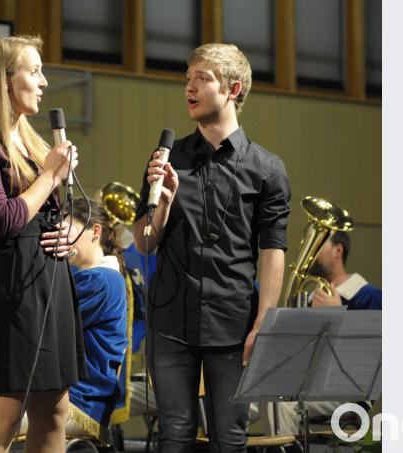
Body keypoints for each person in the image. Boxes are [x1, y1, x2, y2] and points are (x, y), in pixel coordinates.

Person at [132, 43, 292, 453]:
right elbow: (145, 243)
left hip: (234, 322)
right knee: (175, 435)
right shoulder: (167, 159)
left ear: (233, 89)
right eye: (188, 79)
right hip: (171, 320)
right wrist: (164, 202)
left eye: (202, 79)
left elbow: (273, 249)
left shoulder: (267, 169)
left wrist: (265, 321)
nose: (190, 87)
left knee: (230, 438)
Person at [0, 35, 85, 453]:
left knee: (54, 410)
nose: (44, 82)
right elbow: (1, 221)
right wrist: (50, 175)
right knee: (6, 415)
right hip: (14, 286)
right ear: (4, 80)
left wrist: (65, 236)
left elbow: (42, 213)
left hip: (50, 278)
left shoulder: (31, 142)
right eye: (35, 71)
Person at [0, 199, 129, 453]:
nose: (57, 237)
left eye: (65, 228)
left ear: (95, 231)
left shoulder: (102, 279)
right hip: (56, 389)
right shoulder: (92, 277)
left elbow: (43, 325)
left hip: (78, 398)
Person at [269, 230, 382, 435]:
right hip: (305, 385)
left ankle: (285, 448)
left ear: (338, 250)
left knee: (280, 403)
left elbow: (374, 356)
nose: (310, 252)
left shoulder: (371, 296)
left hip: (349, 390)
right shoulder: (310, 298)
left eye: (318, 245)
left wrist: (340, 317)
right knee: (241, 402)